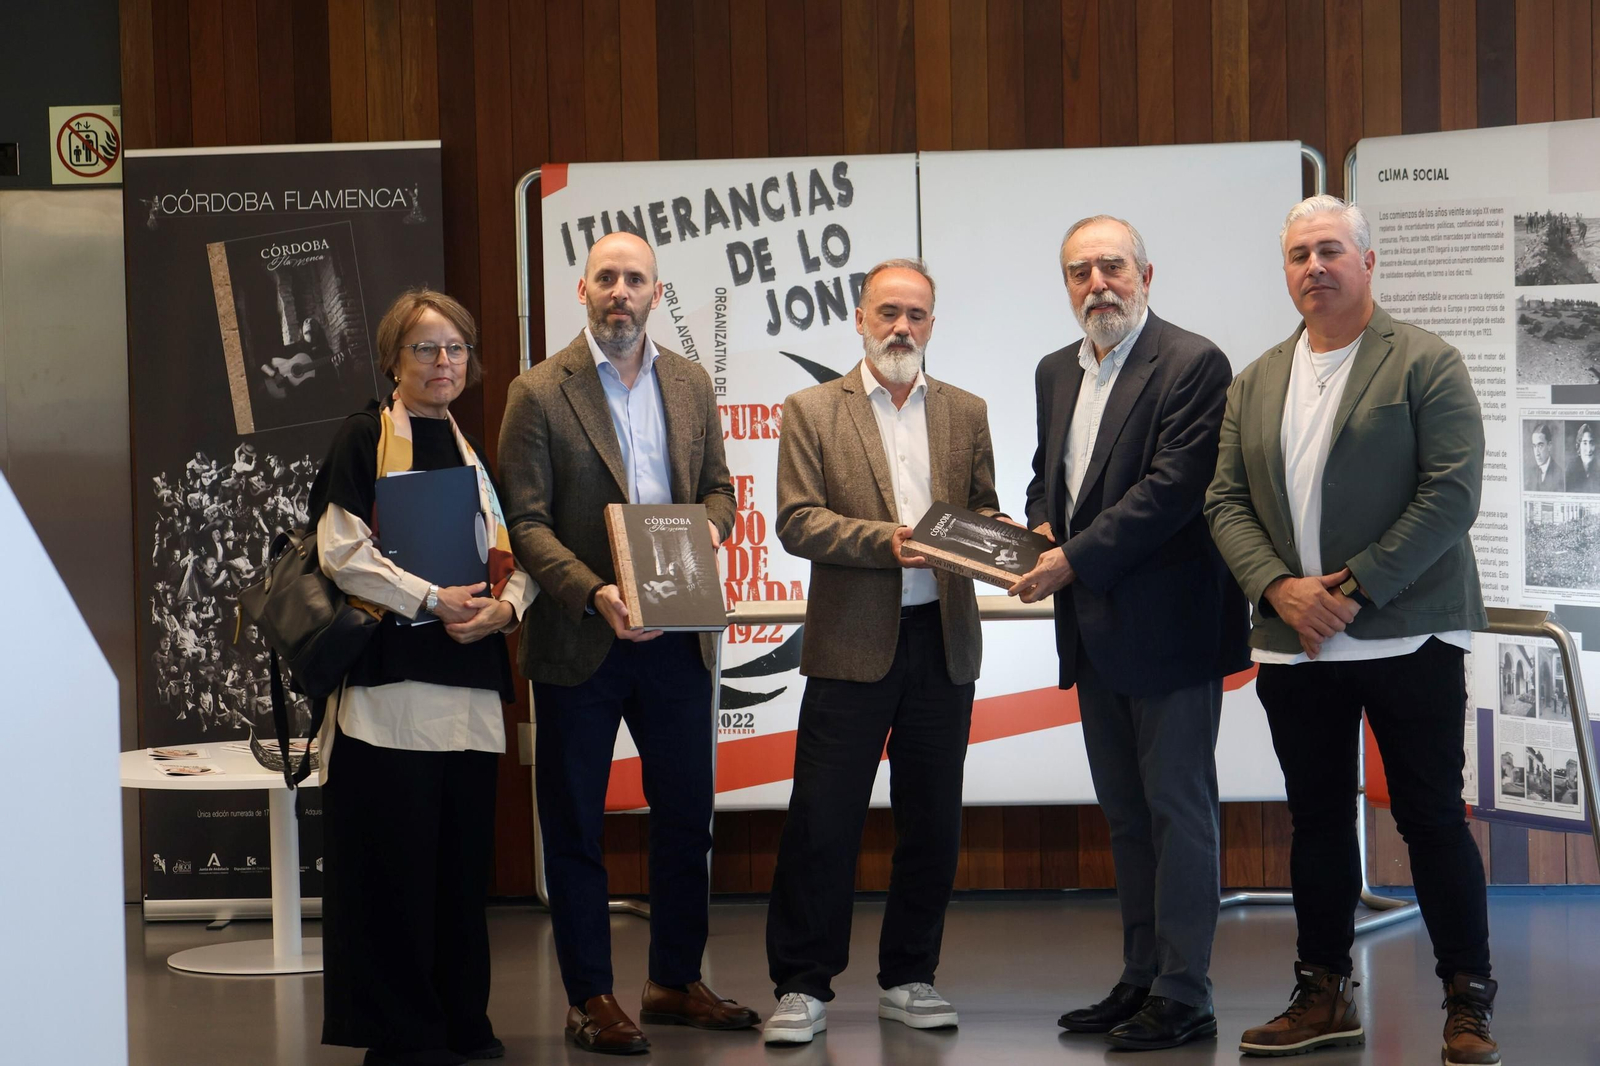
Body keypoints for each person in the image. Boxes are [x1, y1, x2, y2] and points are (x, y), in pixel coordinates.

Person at [1205, 195, 1498, 1064]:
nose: (1313, 267)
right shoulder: (1257, 378)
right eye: (1298, 254)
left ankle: (1468, 999)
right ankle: (1324, 992)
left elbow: (1452, 493)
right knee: (1318, 821)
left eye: (1330, 250)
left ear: (1368, 262)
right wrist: (1279, 590)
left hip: (1408, 635)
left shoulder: (1426, 362)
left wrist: (1355, 588)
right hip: (1295, 643)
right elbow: (1223, 501)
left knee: (1432, 818)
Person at [498, 231, 756, 1055]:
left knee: (687, 814)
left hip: (675, 639)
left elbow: (719, 491)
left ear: (655, 292)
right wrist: (596, 591)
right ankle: (590, 997)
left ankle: (674, 981)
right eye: (606, 277)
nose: (620, 291)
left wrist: (694, 542)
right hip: (582, 636)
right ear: (583, 290)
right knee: (574, 823)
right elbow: (525, 523)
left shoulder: (690, 382)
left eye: (634, 279)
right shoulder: (538, 392)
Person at [1010, 216, 1249, 1051]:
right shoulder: (1055, 370)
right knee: (1124, 815)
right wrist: (1041, 527)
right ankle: (1142, 976)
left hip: (1172, 629)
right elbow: (1052, 475)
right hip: (1095, 628)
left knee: (1179, 812)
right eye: (1080, 271)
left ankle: (1187, 993)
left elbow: (1173, 490)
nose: (1097, 284)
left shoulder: (1193, 363)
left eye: (1112, 266)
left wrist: (1069, 560)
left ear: (1147, 273)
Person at [761, 258, 1003, 1045]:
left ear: (933, 323)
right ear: (860, 318)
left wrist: (996, 540)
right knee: (822, 822)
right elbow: (797, 520)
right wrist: (886, 543)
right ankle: (801, 985)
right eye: (888, 312)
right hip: (849, 646)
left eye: (918, 315)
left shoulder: (967, 410)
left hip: (943, 642)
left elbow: (985, 509)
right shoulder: (811, 408)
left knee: (932, 821)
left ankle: (909, 976)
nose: (903, 327)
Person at [313, 289, 536, 1066]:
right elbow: (341, 553)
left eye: (455, 350)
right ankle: (404, 1034)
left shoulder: (475, 450)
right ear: (391, 361)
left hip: (471, 685)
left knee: (458, 873)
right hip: (391, 693)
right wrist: (430, 599)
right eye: (425, 350)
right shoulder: (363, 437)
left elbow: (511, 554)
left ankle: (457, 1021)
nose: (443, 364)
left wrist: (505, 611)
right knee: (393, 874)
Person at [1525, 421, 1565, 492]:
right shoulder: (1531, 474)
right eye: (1534, 446)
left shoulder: (1560, 475)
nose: (1537, 453)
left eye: (1540, 446)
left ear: (1549, 446)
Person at [1567, 422, 1597, 493]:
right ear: (1578, 446)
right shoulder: (1570, 471)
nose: (1589, 449)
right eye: (1585, 443)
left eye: (1591, 442)